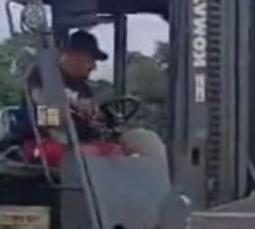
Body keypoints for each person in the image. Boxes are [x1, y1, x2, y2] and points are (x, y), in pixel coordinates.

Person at [6, 30, 166, 162]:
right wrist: (71, 108)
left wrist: (98, 116)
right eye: (89, 60)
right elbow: (45, 117)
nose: (94, 67)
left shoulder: (84, 87)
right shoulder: (43, 77)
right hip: (41, 143)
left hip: (78, 145)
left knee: (140, 144)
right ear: (70, 54)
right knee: (103, 155)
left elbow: (92, 116)